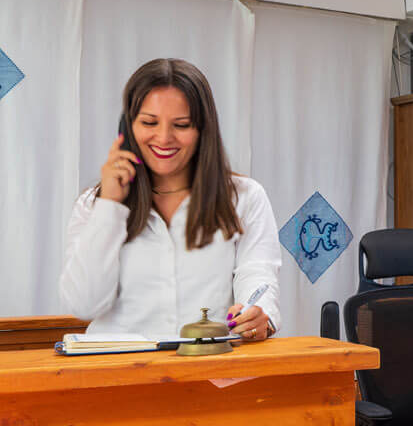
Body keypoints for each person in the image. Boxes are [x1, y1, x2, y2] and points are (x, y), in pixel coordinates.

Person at [61, 58, 281, 341]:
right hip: (120, 366)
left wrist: (258, 314)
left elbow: (257, 274)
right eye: (149, 122)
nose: (164, 138)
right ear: (128, 127)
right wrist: (110, 207)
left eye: (181, 125)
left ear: (203, 130)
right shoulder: (94, 205)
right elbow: (84, 305)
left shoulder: (245, 197)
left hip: (210, 364)